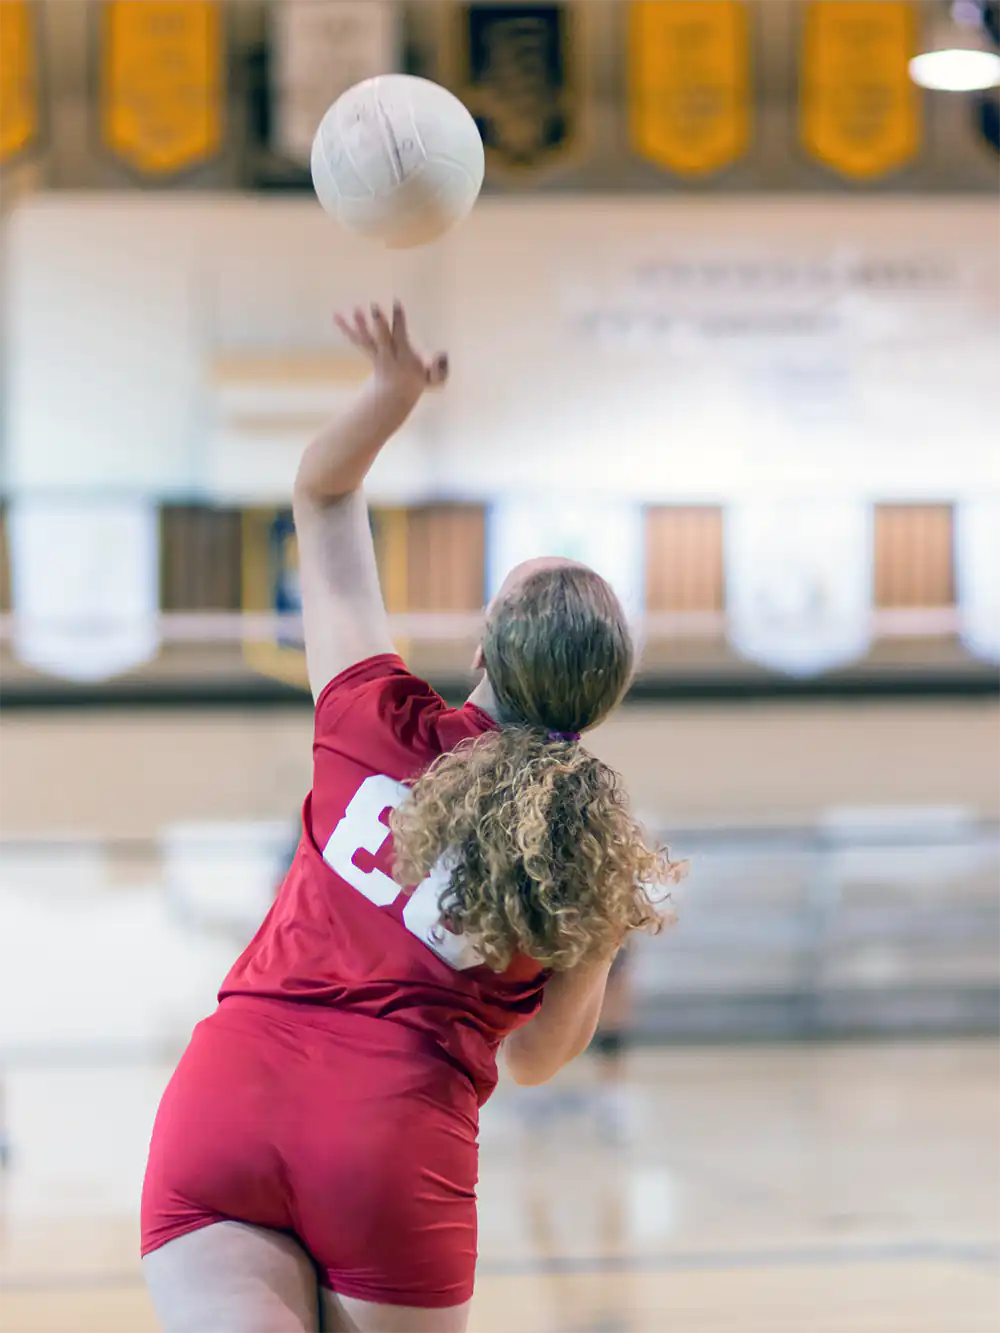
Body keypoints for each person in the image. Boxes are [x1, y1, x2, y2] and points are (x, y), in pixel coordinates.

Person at [141, 301, 682, 1333]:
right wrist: (599, 930)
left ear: (485, 651)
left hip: (229, 1093)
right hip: (391, 1138)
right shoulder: (582, 858)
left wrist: (391, 396)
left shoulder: (369, 718)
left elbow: (322, 492)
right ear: (600, 700)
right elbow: (531, 1059)